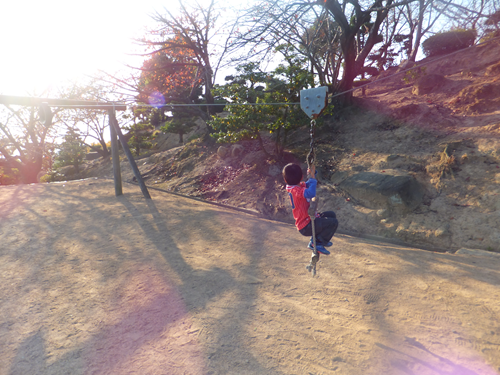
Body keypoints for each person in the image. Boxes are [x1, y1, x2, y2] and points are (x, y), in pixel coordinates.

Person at [283, 163, 338, 255]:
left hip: (309, 220)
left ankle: (318, 239)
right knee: (333, 223)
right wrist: (312, 179)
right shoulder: (295, 191)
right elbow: (310, 193)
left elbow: (308, 184)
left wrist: (312, 174)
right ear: (301, 177)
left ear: (285, 180)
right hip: (306, 226)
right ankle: (317, 243)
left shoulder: (297, 187)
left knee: (331, 215)